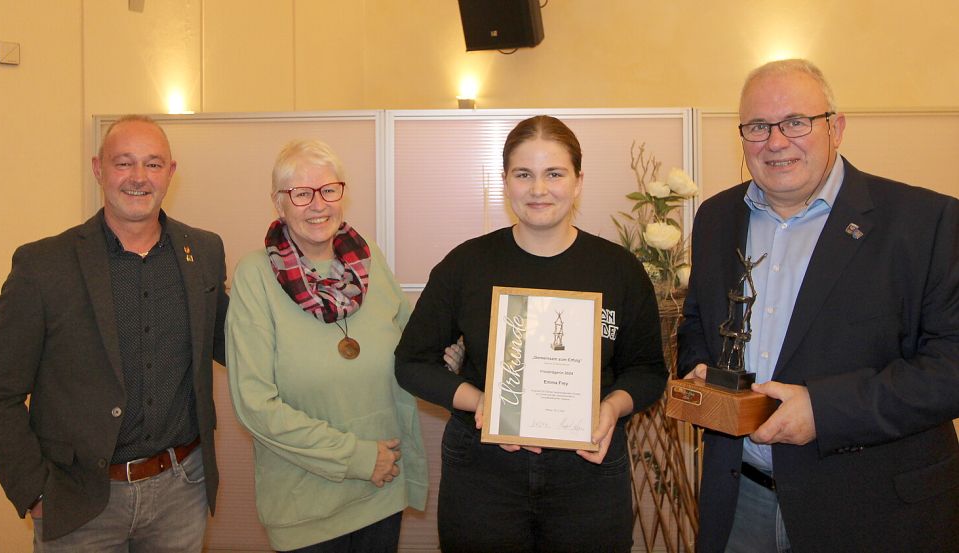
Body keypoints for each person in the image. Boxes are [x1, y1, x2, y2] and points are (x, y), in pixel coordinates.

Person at [678, 59, 959, 553]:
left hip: (873, 508)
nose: (776, 141)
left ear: (837, 127)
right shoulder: (715, 217)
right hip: (738, 499)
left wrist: (826, 411)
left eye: (796, 122)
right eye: (758, 127)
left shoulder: (928, 222)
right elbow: (699, 322)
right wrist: (700, 372)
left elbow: (952, 368)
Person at [395, 115, 668, 552]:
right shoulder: (466, 265)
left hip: (589, 471)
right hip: (484, 472)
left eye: (554, 174)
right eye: (524, 174)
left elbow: (648, 371)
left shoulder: (619, 270)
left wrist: (613, 408)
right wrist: (482, 401)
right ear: (505, 181)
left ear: (578, 181)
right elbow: (411, 364)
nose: (539, 189)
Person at [0, 114, 228, 551]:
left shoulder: (203, 252)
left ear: (170, 172)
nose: (138, 178)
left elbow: (237, 343)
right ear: (98, 169)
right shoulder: (43, 266)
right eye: (123, 163)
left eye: (152, 164)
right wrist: (35, 492)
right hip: (79, 503)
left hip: (181, 492)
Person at [225, 140, 461, 553]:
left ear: (342, 194)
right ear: (279, 203)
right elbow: (255, 403)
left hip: (382, 490)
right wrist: (356, 458)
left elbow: (412, 349)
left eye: (328, 189)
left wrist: (455, 359)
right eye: (301, 193)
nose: (318, 205)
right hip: (308, 507)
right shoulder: (255, 276)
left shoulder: (368, 262)